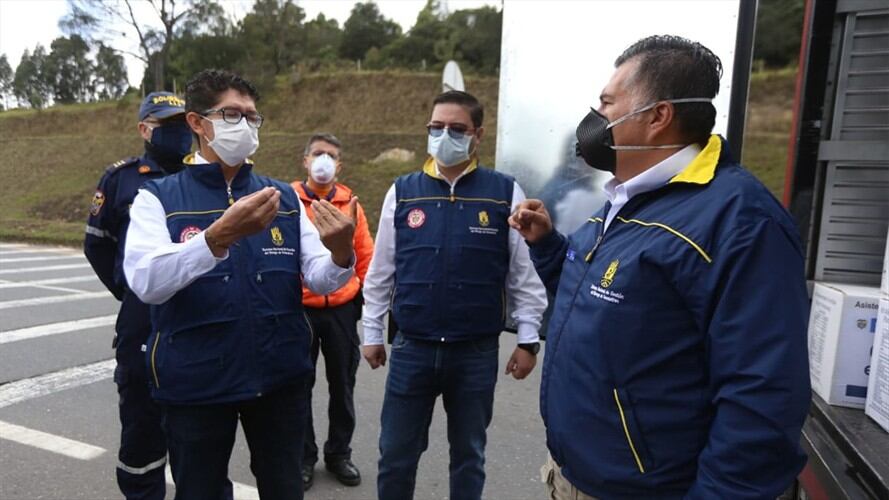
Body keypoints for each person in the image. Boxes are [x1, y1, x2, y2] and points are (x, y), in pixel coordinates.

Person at [509, 35, 811, 499]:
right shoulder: (624, 197)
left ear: (657, 116)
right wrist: (549, 247)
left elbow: (763, 396)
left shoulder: (741, 221)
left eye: (608, 103)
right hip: (576, 474)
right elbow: (599, 294)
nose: (596, 118)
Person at [123, 69, 357, 500]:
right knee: (201, 491)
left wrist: (342, 251)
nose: (246, 125)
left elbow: (321, 276)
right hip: (196, 384)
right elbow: (146, 281)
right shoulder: (158, 197)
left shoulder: (281, 197)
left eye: (253, 117)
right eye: (233, 114)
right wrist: (217, 237)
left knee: (285, 487)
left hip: (279, 378)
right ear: (197, 123)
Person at [361, 90, 548, 500]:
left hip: (475, 352)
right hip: (413, 348)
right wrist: (372, 333)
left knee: (469, 456)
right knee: (395, 455)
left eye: (456, 129)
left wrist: (528, 339)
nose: (444, 135)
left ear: (477, 135)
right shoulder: (404, 191)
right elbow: (381, 270)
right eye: (436, 127)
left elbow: (523, 273)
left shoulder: (503, 192)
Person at [85, 91, 236, 500]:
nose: (175, 133)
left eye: (179, 124)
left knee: (203, 449)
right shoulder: (123, 179)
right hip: (142, 330)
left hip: (199, 327)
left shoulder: (211, 178)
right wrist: (131, 290)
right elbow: (98, 246)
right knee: (141, 439)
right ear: (143, 129)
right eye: (164, 125)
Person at [290, 133, 374, 490]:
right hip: (300, 309)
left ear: (340, 165)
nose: (324, 160)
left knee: (343, 383)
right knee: (298, 385)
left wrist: (372, 307)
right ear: (305, 161)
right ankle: (304, 457)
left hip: (342, 309)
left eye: (331, 156)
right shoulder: (287, 201)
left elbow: (366, 255)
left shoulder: (349, 203)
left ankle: (339, 453)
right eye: (318, 154)